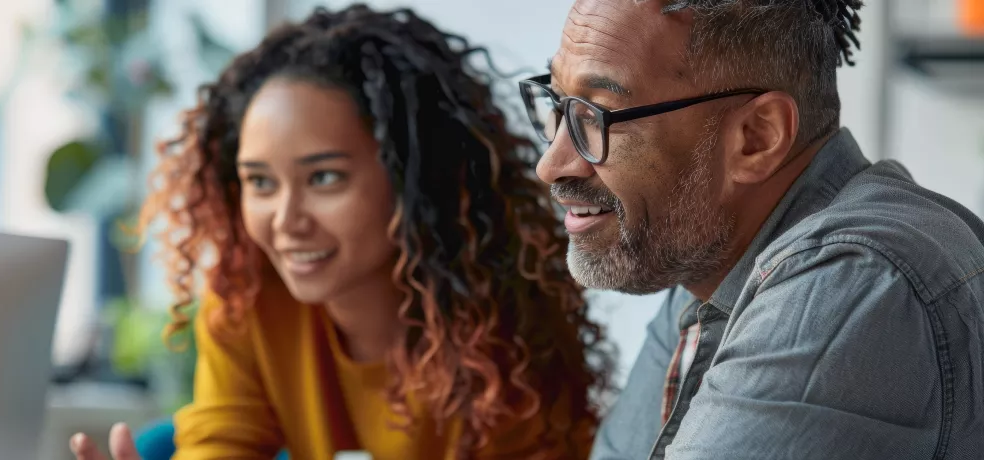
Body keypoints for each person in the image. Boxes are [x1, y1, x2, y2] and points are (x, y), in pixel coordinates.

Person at [72, 5, 612, 460]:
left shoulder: (502, 332)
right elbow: (222, 444)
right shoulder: (246, 296)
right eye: (260, 182)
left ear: (414, 179)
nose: (286, 220)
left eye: (324, 178)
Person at [523, 0, 984, 458]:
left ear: (757, 138)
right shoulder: (703, 254)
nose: (551, 164)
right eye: (559, 105)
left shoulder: (852, 281)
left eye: (596, 115)